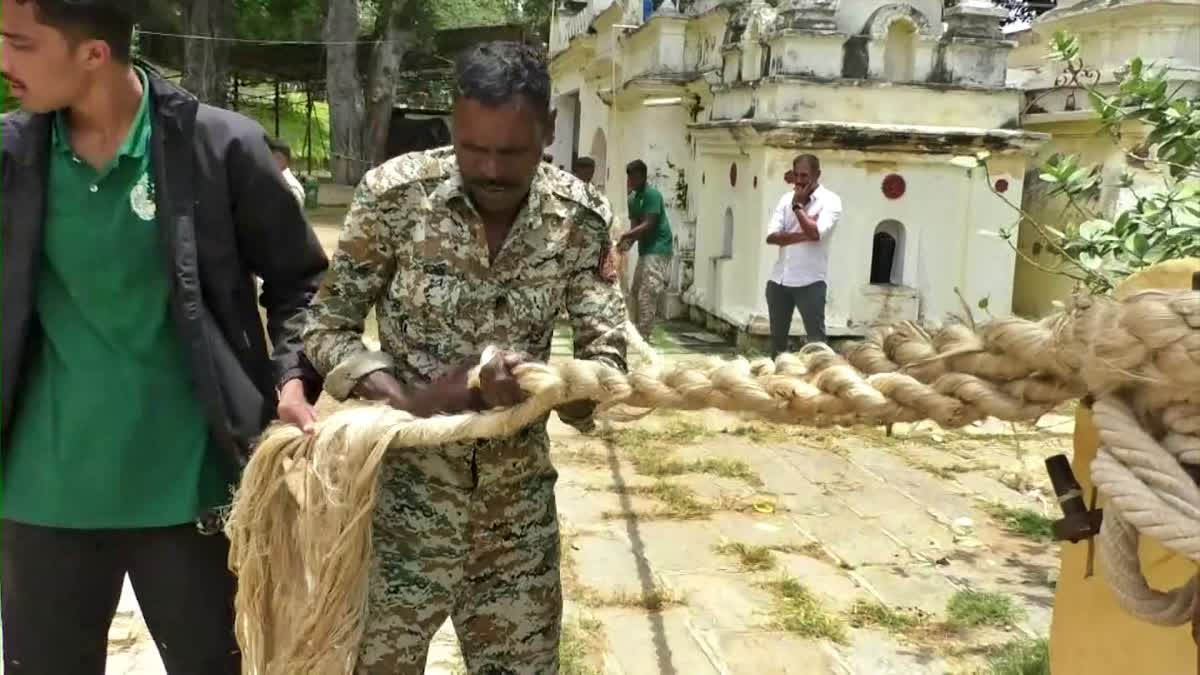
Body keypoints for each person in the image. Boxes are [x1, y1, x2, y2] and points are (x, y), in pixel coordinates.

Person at [0, 2, 329, 673]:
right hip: (41, 495)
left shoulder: (219, 149)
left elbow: (302, 281)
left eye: (19, 43)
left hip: (194, 491)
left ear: (93, 54)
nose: (4, 62)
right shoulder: (10, 159)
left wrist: (292, 377)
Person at [302, 41, 627, 674]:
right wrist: (403, 401)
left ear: (549, 133)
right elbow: (325, 326)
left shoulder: (580, 218)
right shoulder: (395, 197)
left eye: (513, 152)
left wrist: (563, 386)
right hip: (397, 513)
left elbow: (605, 357)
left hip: (516, 526)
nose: (492, 169)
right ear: (453, 125)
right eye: (474, 147)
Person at [764, 153, 842, 356]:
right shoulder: (784, 199)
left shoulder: (830, 201)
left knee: (817, 344)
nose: (799, 181)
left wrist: (798, 206)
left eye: (804, 176)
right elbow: (772, 237)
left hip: (810, 282)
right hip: (779, 281)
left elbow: (815, 233)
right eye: (796, 175)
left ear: (817, 174)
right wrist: (802, 235)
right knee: (777, 346)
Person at [618, 159, 674, 338]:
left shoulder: (652, 195)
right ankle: (634, 331)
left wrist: (626, 235)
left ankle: (644, 335)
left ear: (642, 176)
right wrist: (623, 245)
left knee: (647, 293)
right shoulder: (633, 198)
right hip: (645, 249)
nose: (631, 182)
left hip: (659, 248)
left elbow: (649, 224)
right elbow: (636, 228)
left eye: (634, 178)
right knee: (635, 291)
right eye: (629, 178)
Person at [268, 135, 306, 207]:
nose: (272, 161)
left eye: (277, 157)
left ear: (287, 160)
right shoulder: (273, 180)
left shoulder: (291, 188)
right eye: (269, 156)